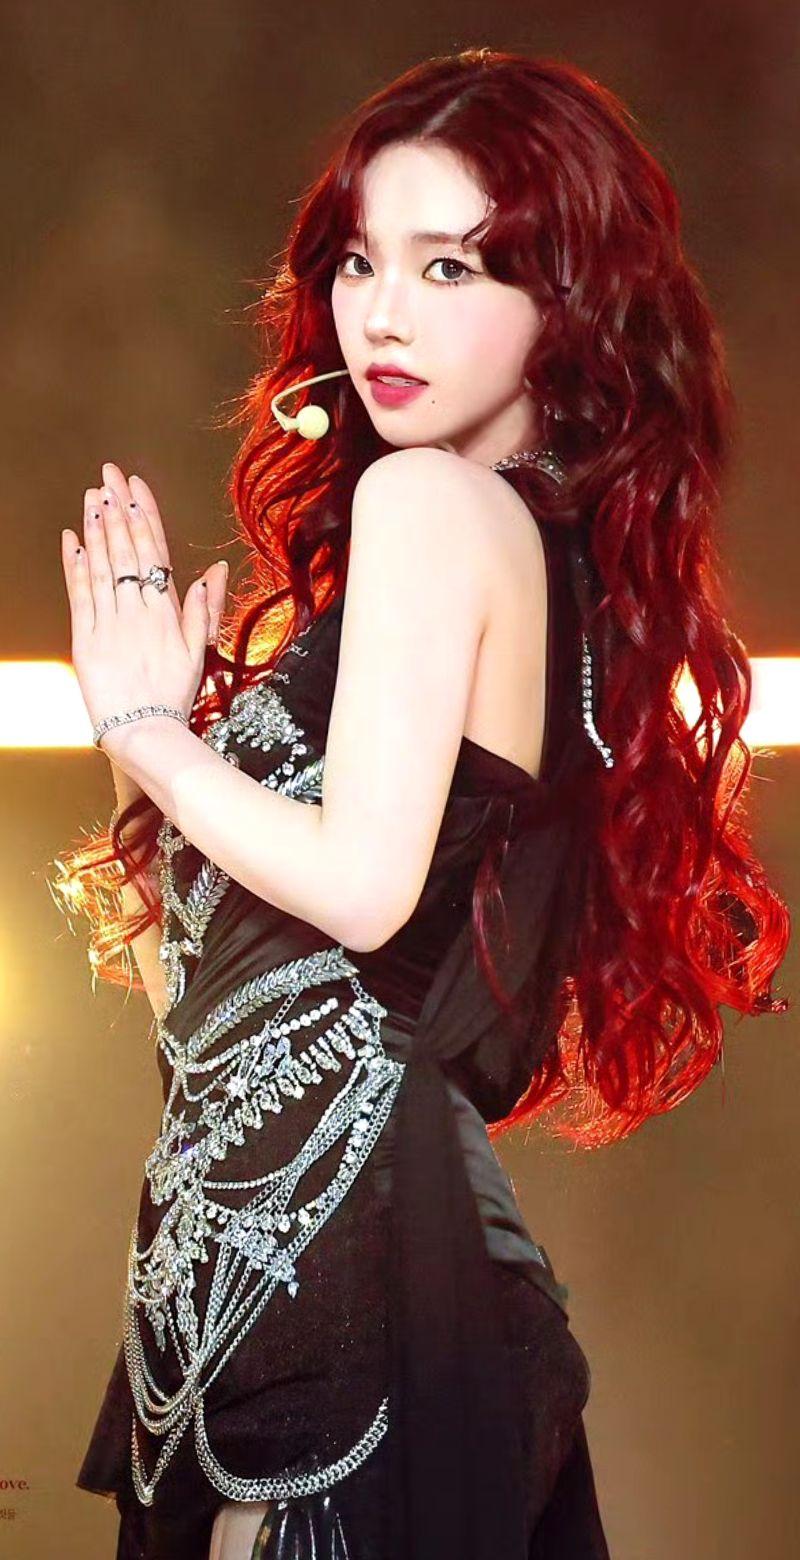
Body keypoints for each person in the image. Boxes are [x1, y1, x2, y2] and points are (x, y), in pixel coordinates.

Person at [52, 48, 790, 1560]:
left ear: (565, 299)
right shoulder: (538, 555)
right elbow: (258, 989)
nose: (380, 313)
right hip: (327, 1266)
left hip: (349, 1283)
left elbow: (369, 891)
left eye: (449, 266)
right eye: (359, 261)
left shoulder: (428, 506)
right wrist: (179, 756)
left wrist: (148, 735)